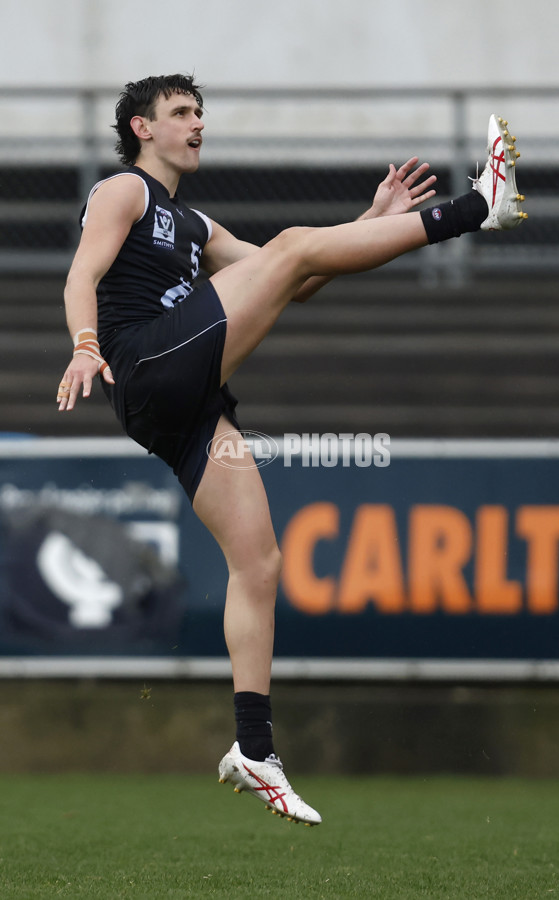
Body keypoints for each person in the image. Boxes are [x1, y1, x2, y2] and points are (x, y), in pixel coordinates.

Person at [56, 74, 526, 826]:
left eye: (201, 112)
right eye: (181, 113)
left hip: (182, 407)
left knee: (260, 563)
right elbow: (82, 274)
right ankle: (478, 208)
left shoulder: (197, 223)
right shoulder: (123, 192)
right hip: (144, 363)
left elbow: (297, 278)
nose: (197, 123)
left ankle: (253, 749)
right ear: (142, 129)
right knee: (292, 247)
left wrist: (368, 222)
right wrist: (84, 346)